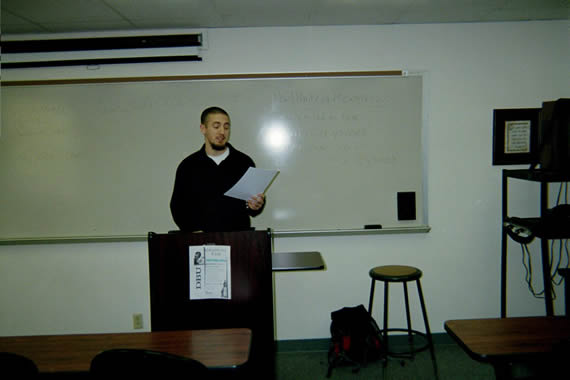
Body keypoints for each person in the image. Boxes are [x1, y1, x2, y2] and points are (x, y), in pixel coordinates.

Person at [170, 106, 265, 232]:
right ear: (203, 129)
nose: (222, 132)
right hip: (201, 241)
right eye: (216, 126)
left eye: (226, 127)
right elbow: (178, 206)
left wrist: (255, 205)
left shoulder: (243, 162)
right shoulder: (188, 166)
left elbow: (252, 207)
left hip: (238, 240)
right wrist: (193, 231)